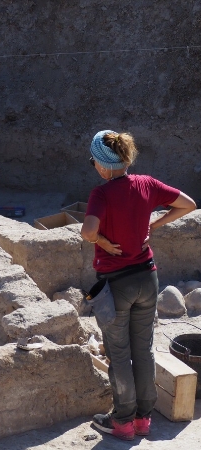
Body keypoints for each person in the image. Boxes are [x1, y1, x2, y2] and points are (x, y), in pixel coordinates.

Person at [81, 130, 196, 440]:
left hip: (117, 284)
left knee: (119, 355)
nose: (94, 167)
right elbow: (188, 203)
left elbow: (87, 231)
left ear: (104, 166)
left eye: (93, 161)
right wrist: (153, 224)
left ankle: (122, 421)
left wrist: (103, 240)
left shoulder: (101, 194)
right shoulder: (146, 184)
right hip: (148, 277)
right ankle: (144, 420)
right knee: (143, 350)